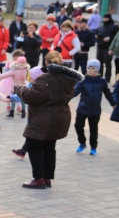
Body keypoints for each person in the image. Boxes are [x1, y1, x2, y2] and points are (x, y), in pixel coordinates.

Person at [14, 51, 83, 189]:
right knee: (49, 147)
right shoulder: (67, 79)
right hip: (59, 116)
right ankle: (47, 178)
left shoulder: (46, 79)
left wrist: (18, 88)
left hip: (44, 118)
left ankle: (39, 178)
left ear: (46, 62)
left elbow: (31, 96)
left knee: (34, 146)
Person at [73, 59, 116, 156]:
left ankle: (93, 147)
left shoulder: (102, 81)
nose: (90, 70)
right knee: (78, 126)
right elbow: (76, 91)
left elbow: (107, 93)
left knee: (93, 130)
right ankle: (82, 143)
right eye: (89, 68)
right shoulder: (83, 80)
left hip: (95, 110)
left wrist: (113, 103)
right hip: (82, 108)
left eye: (93, 69)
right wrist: (66, 97)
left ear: (97, 70)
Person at [96, 14, 119, 81]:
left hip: (108, 47)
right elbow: (98, 32)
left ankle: (107, 78)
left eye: (106, 18)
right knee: (99, 63)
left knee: (107, 63)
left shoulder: (114, 26)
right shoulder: (101, 26)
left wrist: (110, 38)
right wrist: (97, 36)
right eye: (104, 18)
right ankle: (99, 76)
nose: (105, 19)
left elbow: (117, 36)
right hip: (100, 46)